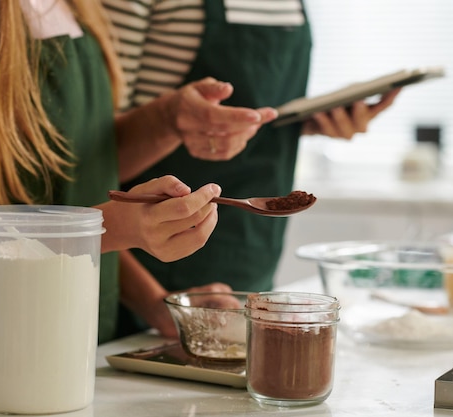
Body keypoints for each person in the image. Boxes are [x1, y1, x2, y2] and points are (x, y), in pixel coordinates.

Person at [0, 0, 277, 391]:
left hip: (75, 345)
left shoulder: (77, 7)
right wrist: (112, 227)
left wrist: (167, 119)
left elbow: (78, 170)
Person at [103, 0, 401, 338]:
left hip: (249, 272)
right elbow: (83, 166)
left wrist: (308, 123)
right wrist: (156, 304)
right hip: (140, 295)